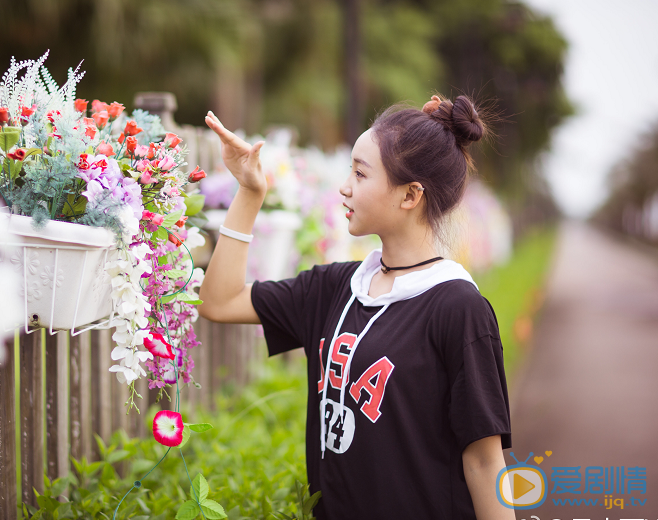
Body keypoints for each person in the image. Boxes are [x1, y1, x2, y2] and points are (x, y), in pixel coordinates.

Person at [198, 95, 514, 520]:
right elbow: (220, 301)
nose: (344, 187)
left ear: (410, 195)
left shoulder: (458, 307)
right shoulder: (336, 287)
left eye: (360, 173)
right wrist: (250, 192)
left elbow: (484, 461)